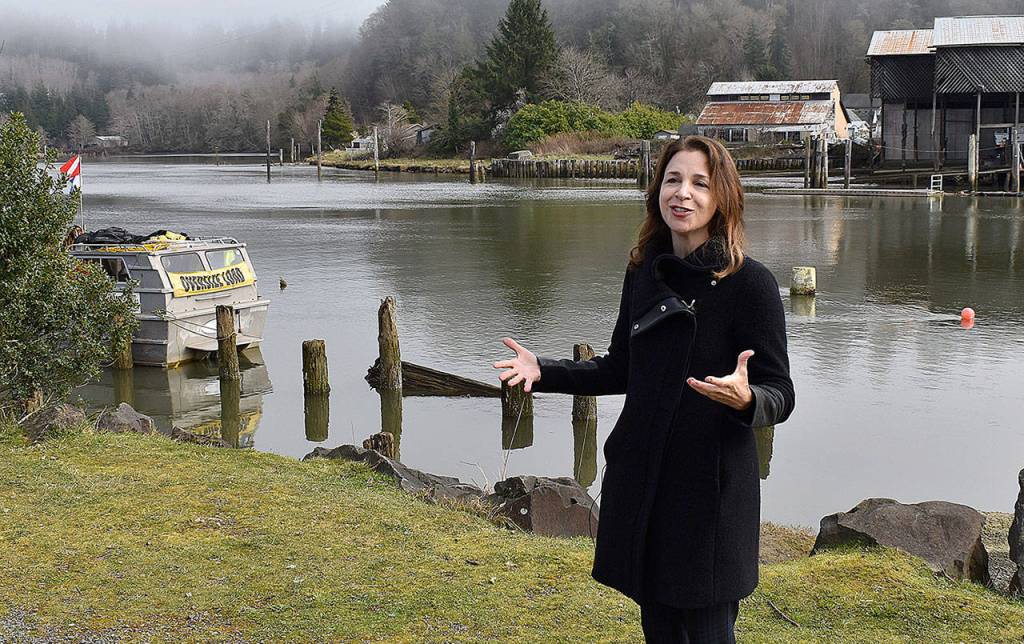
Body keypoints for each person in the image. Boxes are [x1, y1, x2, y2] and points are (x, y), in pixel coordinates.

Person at [493, 135, 794, 643]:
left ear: (722, 197)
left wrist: (748, 399)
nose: (684, 193)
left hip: (711, 493)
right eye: (673, 180)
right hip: (648, 482)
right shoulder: (643, 273)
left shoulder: (750, 284)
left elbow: (780, 392)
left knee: (706, 629)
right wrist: (545, 371)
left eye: (700, 183)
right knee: (657, 626)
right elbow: (621, 369)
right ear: (657, 190)